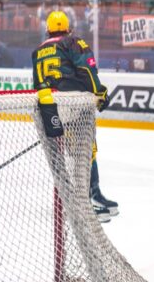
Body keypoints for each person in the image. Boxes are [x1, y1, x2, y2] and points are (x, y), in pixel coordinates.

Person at [30, 11, 117, 222]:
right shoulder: (72, 42)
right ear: (69, 27)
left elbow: (36, 85)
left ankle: (86, 198)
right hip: (74, 104)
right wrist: (100, 93)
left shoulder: (38, 51)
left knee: (75, 153)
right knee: (85, 151)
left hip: (51, 109)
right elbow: (87, 71)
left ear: (48, 29)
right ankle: (89, 201)